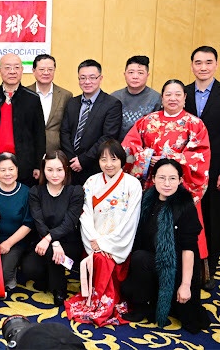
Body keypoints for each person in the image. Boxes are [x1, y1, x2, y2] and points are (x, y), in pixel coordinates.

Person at [122, 79, 211, 264]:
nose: (173, 98)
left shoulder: (195, 124)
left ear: (185, 98)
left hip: (180, 186)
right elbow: (128, 150)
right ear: (161, 98)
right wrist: (147, 158)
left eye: (178, 94)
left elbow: (199, 157)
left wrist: (169, 161)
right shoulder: (147, 121)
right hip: (150, 186)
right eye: (168, 94)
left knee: (181, 234)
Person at [121, 159, 211, 333]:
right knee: (138, 260)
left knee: (191, 320)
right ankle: (143, 306)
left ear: (180, 180)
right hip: (150, 261)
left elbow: (189, 249)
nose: (167, 184)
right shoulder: (147, 199)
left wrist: (185, 285)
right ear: (154, 179)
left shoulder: (185, 206)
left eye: (172, 178)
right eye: (162, 178)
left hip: (176, 268)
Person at [65, 139, 142, 327]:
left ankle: (108, 301)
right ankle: (94, 299)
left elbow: (131, 220)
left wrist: (108, 244)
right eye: (103, 159)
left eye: (114, 159)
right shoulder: (92, 181)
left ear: (122, 160)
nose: (109, 164)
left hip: (117, 243)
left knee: (106, 260)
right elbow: (85, 214)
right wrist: (94, 240)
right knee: (98, 258)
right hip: (93, 241)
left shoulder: (133, 184)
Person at [23, 150, 84, 306]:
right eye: (50, 170)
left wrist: (51, 239)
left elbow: (69, 223)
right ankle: (49, 278)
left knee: (52, 252)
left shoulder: (75, 191)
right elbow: (39, 221)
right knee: (29, 268)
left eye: (59, 170)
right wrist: (53, 241)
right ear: (43, 170)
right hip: (43, 239)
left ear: (66, 170)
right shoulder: (36, 191)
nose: (54, 175)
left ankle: (59, 289)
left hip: (69, 242)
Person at [0, 53, 46, 186]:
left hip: (23, 166)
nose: (12, 71)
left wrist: (38, 165)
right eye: (7, 67)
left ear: (22, 70)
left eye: (16, 67)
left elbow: (39, 135)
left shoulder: (32, 99)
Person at [185, 46, 220, 289]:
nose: (203, 67)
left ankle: (209, 272)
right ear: (192, 66)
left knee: (212, 219)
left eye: (208, 62)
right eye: (198, 62)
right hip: (186, 171)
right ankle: (189, 270)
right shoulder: (182, 92)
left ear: (216, 65)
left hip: (215, 168)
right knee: (188, 220)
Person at [60, 59, 122, 186]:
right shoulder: (72, 102)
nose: (87, 82)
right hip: (70, 166)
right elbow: (64, 131)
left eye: (92, 77)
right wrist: (72, 159)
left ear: (100, 78)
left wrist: (83, 160)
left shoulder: (112, 104)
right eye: (82, 78)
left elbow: (108, 137)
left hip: (94, 166)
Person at [0, 152, 33, 292]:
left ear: (17, 169)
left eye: (11, 169)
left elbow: (28, 224)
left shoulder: (26, 192)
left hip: (15, 241)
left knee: (3, 276)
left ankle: (12, 269)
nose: (7, 173)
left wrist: (8, 243)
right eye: (2, 170)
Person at [26, 54, 73, 152]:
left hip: (56, 152)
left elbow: (69, 127)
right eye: (42, 69)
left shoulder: (65, 95)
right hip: (29, 149)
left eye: (50, 69)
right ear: (34, 71)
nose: (46, 72)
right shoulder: (24, 93)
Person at [111, 55, 161, 140]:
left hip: (144, 146)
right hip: (117, 146)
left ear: (147, 75)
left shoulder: (157, 99)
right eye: (131, 72)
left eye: (140, 73)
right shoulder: (114, 98)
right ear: (124, 74)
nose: (135, 76)